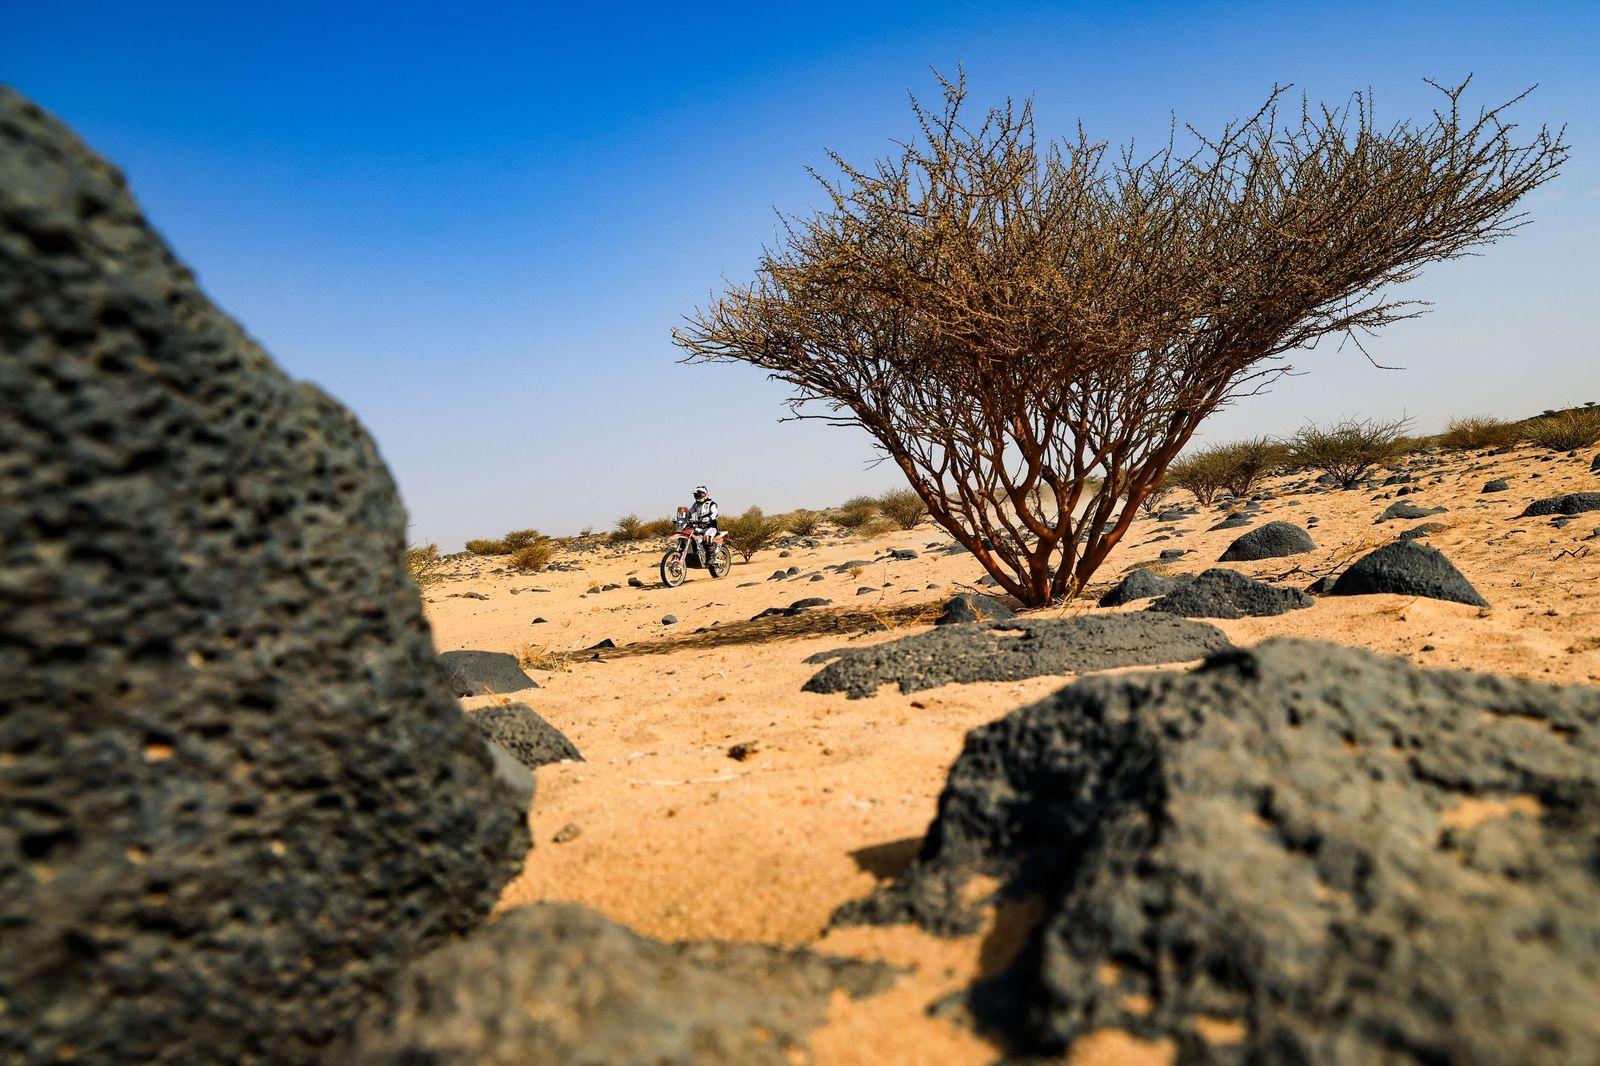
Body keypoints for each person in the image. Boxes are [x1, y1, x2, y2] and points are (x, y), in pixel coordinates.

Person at [684, 485, 719, 562]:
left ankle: (711, 557)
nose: (698, 496)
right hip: (700, 528)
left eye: (699, 494)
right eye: (696, 494)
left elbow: (715, 513)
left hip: (711, 527)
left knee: (707, 537)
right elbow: (689, 512)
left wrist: (709, 518)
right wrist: (681, 517)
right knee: (690, 535)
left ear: (705, 494)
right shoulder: (696, 505)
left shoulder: (711, 503)